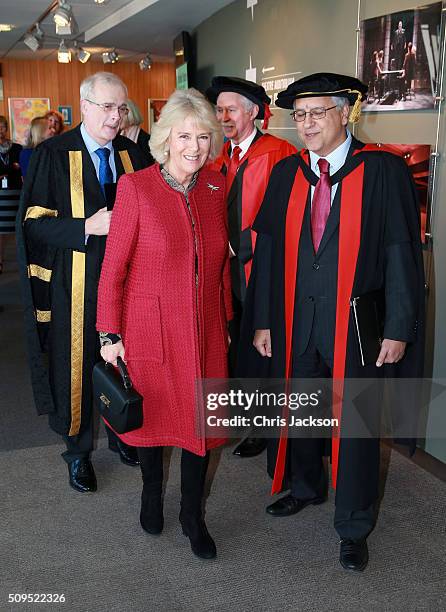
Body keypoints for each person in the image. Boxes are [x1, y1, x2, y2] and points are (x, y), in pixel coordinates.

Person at [239, 72, 424, 572]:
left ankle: (354, 522)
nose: (306, 124)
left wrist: (399, 326)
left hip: (357, 324)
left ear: (347, 112)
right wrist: (263, 321)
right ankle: (305, 486)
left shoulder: (382, 171)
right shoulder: (287, 174)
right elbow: (270, 253)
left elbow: (400, 253)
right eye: (299, 115)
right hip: (296, 320)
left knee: (357, 423)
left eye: (317, 112)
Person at [96, 88, 232, 560]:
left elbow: (221, 264)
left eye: (202, 136)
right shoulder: (136, 188)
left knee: (202, 425)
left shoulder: (216, 187)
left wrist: (228, 319)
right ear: (166, 139)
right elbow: (113, 270)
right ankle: (151, 491)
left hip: (206, 329)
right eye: (183, 136)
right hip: (150, 330)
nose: (193, 147)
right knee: (152, 421)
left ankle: (192, 515)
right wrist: (109, 335)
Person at [16, 72, 148, 493]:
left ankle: (122, 434)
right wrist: (85, 226)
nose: (115, 116)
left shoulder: (133, 153)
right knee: (76, 368)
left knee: (123, 362)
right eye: (107, 107)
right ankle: (77, 453)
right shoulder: (53, 154)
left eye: (121, 108)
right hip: (75, 285)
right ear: (85, 106)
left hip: (126, 283)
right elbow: (33, 225)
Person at [206, 76, 296, 457]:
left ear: (254, 112)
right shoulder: (219, 156)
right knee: (239, 347)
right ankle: (247, 420)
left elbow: (285, 219)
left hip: (263, 271)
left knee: (265, 349)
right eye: (219, 109)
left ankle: (265, 430)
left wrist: (238, 244)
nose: (223, 116)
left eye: (231, 109)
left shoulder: (279, 153)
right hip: (228, 276)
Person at [0, 115, 22, 273]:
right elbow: (14, 167)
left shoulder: (16, 148)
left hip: (15, 192)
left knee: (16, 228)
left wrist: (7, 170)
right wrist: (11, 168)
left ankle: (21, 260)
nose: (0, 130)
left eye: (2, 126)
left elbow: (20, 167)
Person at [119, 99, 154, 166]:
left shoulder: (147, 141)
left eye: (122, 112)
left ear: (130, 114)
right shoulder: (117, 138)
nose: (117, 117)